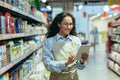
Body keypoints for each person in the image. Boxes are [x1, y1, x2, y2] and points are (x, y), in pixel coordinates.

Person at [42, 12, 89, 80]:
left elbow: (80, 67)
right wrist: (65, 64)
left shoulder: (76, 41)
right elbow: (48, 64)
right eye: (65, 24)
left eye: (71, 24)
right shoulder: (49, 42)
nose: (69, 27)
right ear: (59, 24)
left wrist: (82, 61)